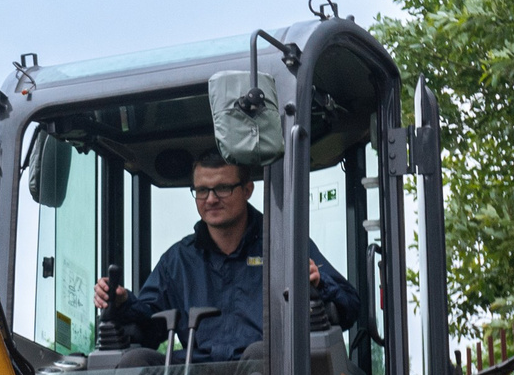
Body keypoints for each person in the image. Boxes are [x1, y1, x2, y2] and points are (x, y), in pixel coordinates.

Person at [92, 153, 361, 360]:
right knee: (137, 361)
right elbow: (150, 329)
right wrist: (123, 301)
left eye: (222, 188)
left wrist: (318, 284)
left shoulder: (283, 246)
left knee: (260, 355)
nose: (210, 199)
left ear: (247, 190)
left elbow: (349, 307)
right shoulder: (177, 261)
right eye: (201, 190)